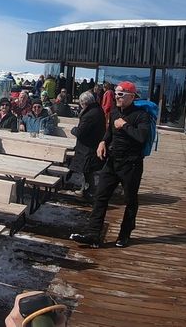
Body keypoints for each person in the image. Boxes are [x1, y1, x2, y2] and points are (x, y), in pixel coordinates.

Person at [70, 81, 150, 248]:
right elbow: (109, 133)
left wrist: (125, 125)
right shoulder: (114, 112)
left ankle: (125, 234)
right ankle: (93, 234)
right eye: (116, 93)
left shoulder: (141, 115)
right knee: (100, 196)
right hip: (113, 161)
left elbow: (142, 137)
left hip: (131, 164)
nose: (117, 96)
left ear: (132, 96)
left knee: (129, 200)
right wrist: (103, 142)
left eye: (121, 94)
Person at [68, 91, 105, 200]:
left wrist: (73, 130)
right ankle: (86, 190)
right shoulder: (97, 111)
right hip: (92, 145)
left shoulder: (89, 114)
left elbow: (80, 132)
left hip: (88, 147)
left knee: (87, 171)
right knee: (87, 171)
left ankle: (87, 192)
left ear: (84, 103)